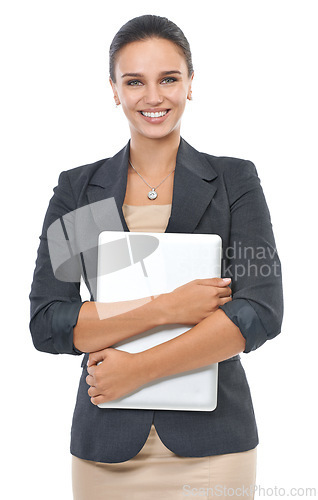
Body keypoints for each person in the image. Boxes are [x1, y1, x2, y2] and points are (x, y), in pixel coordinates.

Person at [29, 14, 284, 500]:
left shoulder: (234, 183)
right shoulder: (82, 193)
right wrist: (166, 308)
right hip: (106, 451)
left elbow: (260, 310)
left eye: (169, 78)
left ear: (191, 83)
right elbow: (49, 321)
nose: (153, 97)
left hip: (214, 449)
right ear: (114, 89)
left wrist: (137, 370)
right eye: (134, 82)